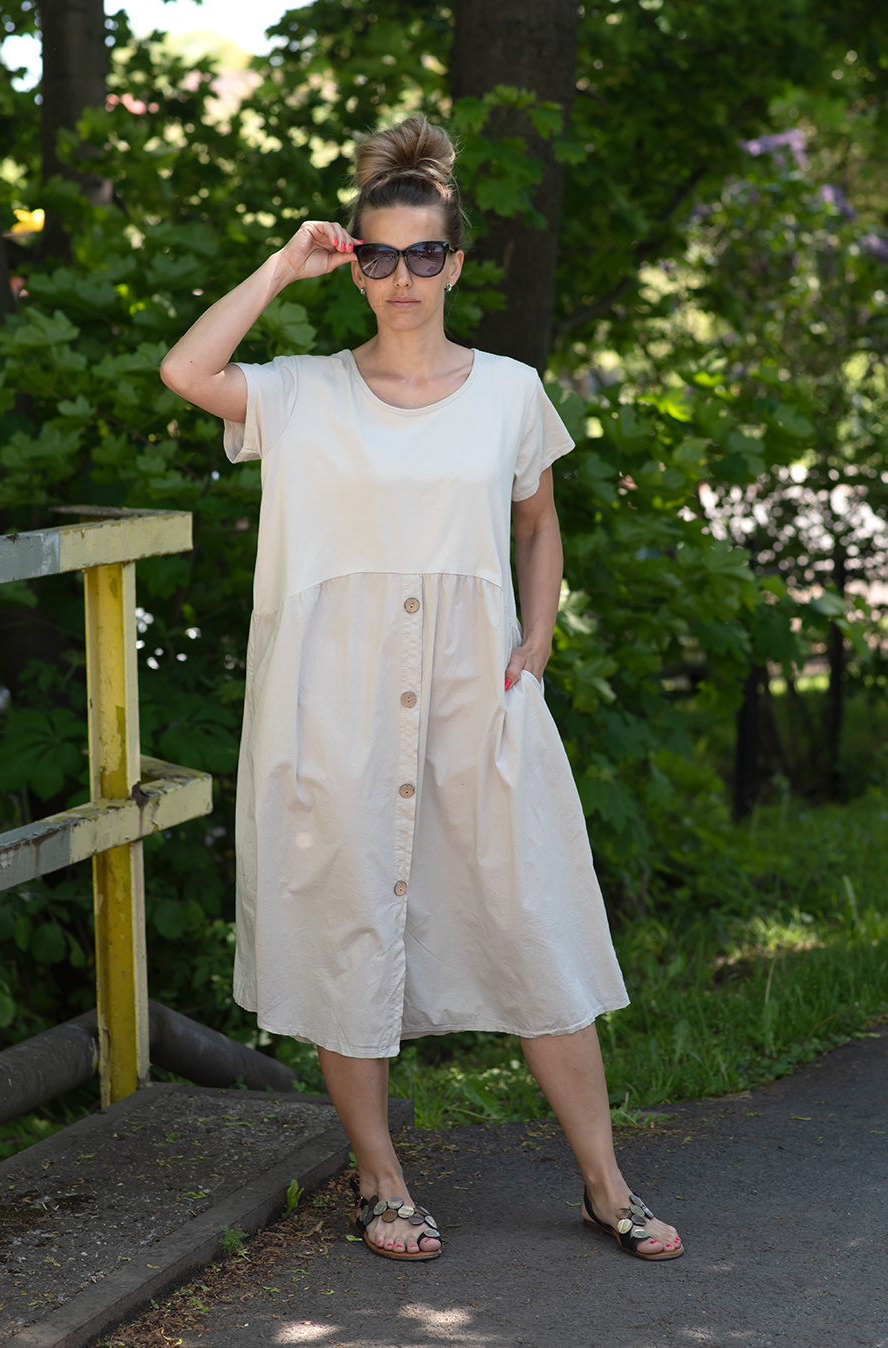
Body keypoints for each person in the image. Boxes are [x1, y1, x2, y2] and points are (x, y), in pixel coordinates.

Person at [160, 115, 683, 1264]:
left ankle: (605, 1183)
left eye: (424, 253)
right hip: (331, 714)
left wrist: (537, 635)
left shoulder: (508, 393)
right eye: (379, 254)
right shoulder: (300, 393)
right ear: (355, 263)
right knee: (345, 931)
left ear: (455, 262)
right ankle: (379, 1176)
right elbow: (185, 372)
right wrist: (280, 266)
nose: (402, 277)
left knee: (535, 924)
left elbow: (537, 523)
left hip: (475, 703)